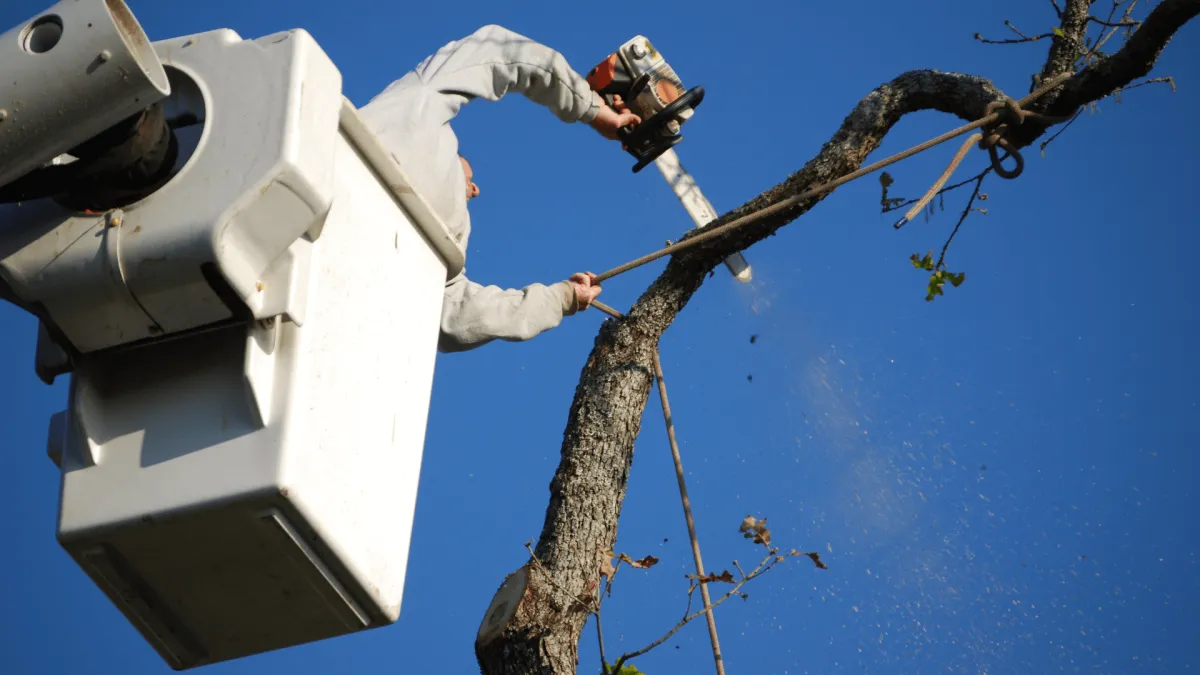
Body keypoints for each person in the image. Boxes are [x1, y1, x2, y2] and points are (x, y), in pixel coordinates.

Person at [359, 25, 641, 353]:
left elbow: (458, 319)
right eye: (470, 173)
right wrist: (592, 109)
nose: (476, 189)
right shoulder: (415, 114)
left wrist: (562, 297)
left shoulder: (448, 248)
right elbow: (501, 52)